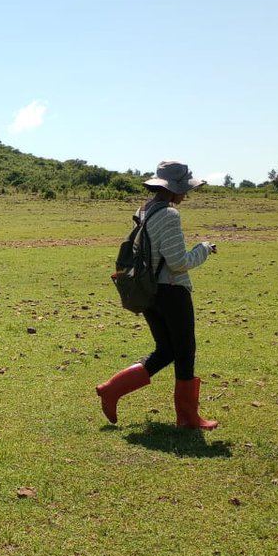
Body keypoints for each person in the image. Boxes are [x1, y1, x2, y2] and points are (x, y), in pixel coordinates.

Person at [96, 160, 220, 429]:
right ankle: (187, 417)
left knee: (166, 350)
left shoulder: (145, 210)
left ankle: (112, 389)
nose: (186, 194)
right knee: (184, 351)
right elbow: (178, 262)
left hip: (148, 292)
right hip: (172, 292)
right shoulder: (170, 215)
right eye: (184, 188)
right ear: (173, 188)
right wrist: (203, 249)